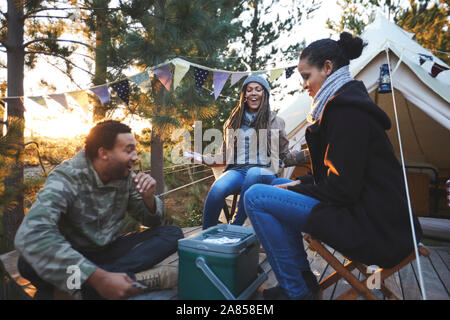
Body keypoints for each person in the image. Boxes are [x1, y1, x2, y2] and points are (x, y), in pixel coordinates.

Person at [243, 32, 423, 300]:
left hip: (376, 227)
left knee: (255, 197)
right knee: (277, 184)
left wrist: (301, 189)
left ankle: (296, 293)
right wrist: (300, 184)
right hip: (364, 210)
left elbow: (342, 190)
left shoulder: (347, 113)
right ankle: (303, 279)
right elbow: (336, 176)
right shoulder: (339, 105)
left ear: (328, 68)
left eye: (307, 76)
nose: (304, 84)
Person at [14, 120, 184, 300]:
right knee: (27, 264)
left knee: (172, 234)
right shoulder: (67, 177)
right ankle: (118, 281)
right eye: (128, 150)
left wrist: (149, 199)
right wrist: (100, 279)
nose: (135, 157)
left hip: (107, 253)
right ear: (103, 153)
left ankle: (85, 288)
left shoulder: (124, 176)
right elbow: (31, 234)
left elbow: (152, 222)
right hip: (71, 256)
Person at [201, 75, 307, 229]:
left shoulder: (277, 122)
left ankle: (236, 226)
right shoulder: (233, 121)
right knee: (218, 188)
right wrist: (203, 158)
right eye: (249, 90)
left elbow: (284, 156)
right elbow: (225, 155)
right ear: (244, 95)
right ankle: (206, 234)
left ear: (265, 94)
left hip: (265, 171)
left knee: (254, 173)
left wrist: (304, 155)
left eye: (258, 89)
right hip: (237, 170)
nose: (253, 93)